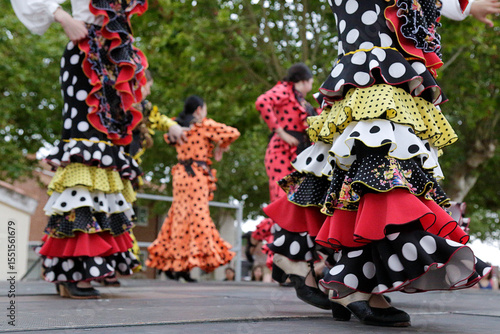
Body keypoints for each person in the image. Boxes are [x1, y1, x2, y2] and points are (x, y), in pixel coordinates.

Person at [263, 0, 492, 327]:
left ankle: (315, 265)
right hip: (374, 59)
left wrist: (465, 8)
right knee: (375, 160)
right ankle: (345, 277)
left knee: (352, 158)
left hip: (384, 62)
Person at [9, 0, 160, 299]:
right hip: (84, 50)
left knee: (106, 158)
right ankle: (71, 269)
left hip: (112, 55)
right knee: (86, 153)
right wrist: (61, 15)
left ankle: (91, 264)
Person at [251, 63, 329, 307]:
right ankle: (280, 260)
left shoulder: (299, 100)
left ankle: (282, 263)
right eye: (310, 81)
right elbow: (262, 102)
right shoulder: (284, 91)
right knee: (283, 204)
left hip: (296, 157)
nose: (310, 86)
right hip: (280, 154)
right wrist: (279, 131)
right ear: (303, 80)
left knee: (293, 203)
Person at [146, 95, 240, 281]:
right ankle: (184, 266)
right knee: (197, 218)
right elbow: (232, 132)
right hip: (196, 175)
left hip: (180, 175)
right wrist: (221, 145)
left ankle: (177, 265)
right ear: (198, 109)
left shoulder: (177, 125)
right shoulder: (203, 125)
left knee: (179, 219)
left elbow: (169, 138)